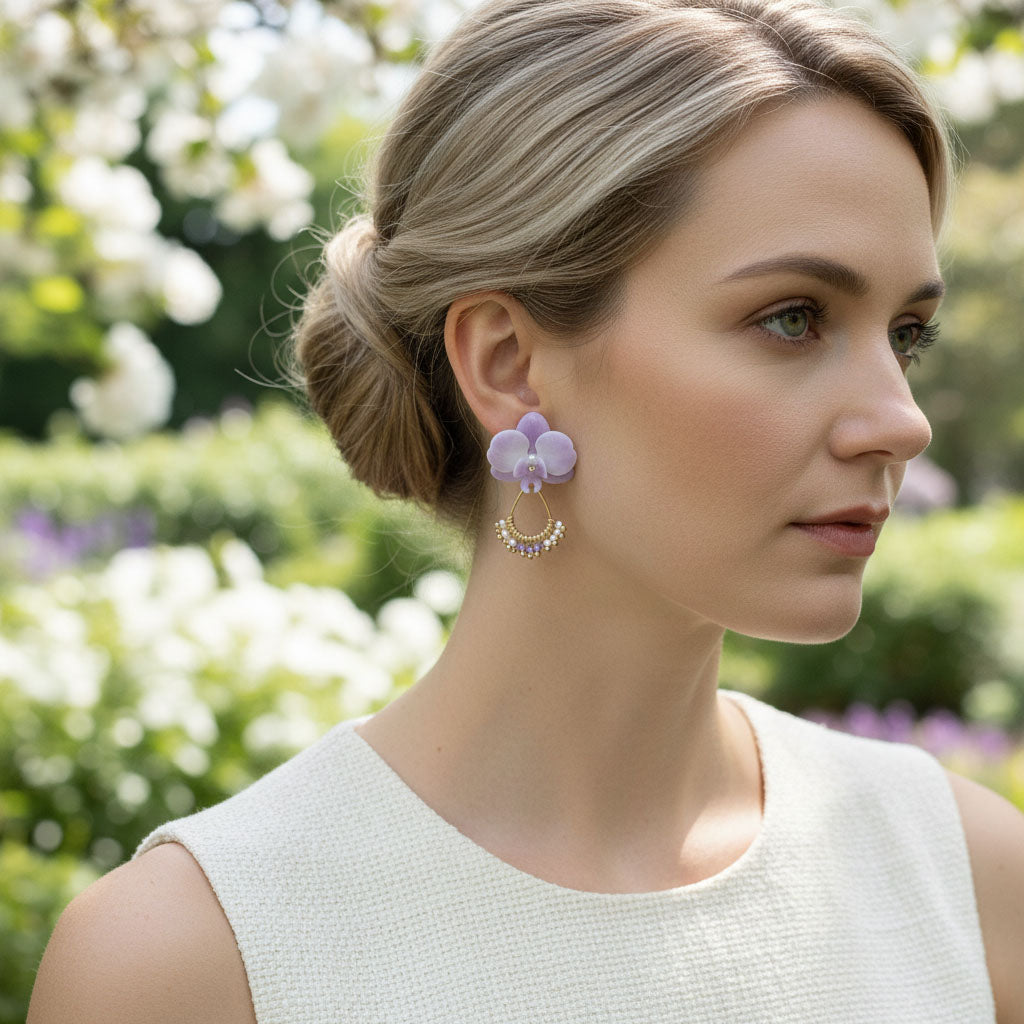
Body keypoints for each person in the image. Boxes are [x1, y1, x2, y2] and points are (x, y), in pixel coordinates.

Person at [27, 1, 1024, 1022]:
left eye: (906, 334)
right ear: (507, 364)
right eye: (791, 319)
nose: (900, 422)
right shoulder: (192, 958)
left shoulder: (974, 885)